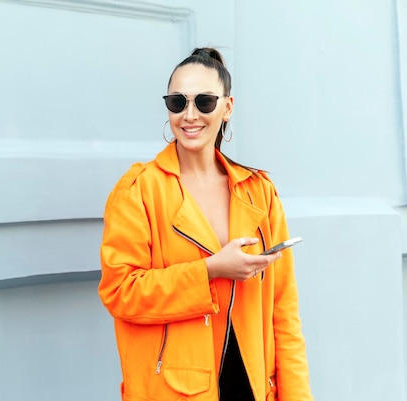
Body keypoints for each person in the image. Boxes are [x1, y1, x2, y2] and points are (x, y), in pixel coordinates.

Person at [98, 47, 313, 401]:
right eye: (177, 102)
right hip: (173, 390)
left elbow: (283, 312)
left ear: (228, 106)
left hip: (253, 385)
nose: (189, 115)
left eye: (205, 102)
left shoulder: (258, 191)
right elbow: (120, 291)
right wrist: (210, 270)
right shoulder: (139, 190)